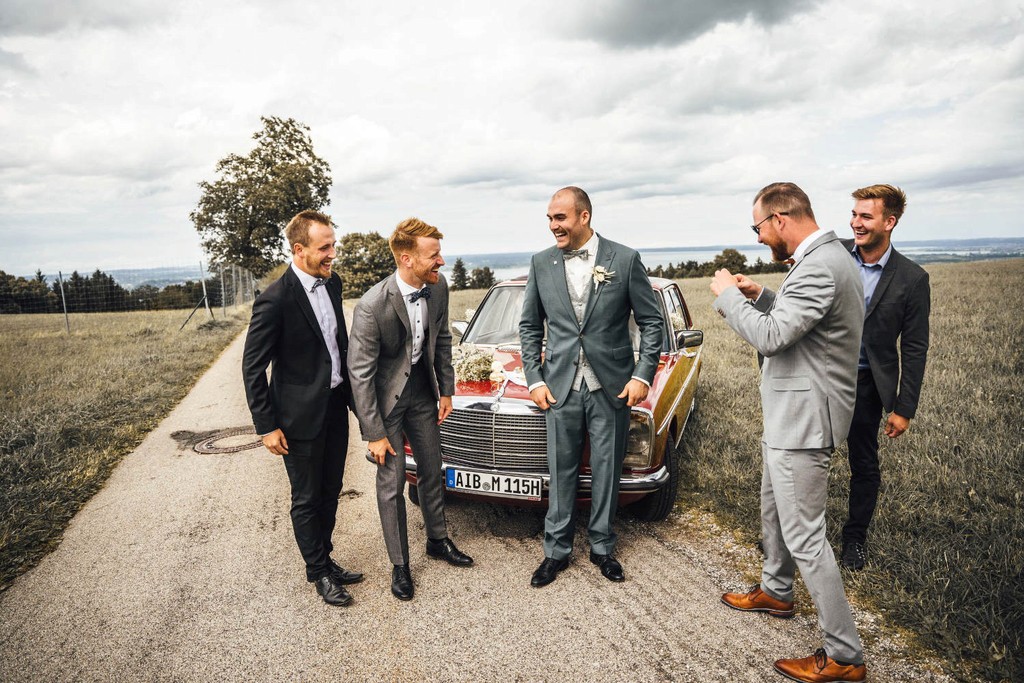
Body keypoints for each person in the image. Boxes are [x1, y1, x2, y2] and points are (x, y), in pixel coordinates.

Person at [710, 183, 867, 682]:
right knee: (773, 507)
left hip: (804, 421)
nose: (758, 238)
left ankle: (844, 655)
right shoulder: (825, 257)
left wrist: (731, 298)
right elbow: (806, 320)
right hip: (790, 415)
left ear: (779, 219)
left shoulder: (820, 262)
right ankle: (776, 591)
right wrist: (765, 295)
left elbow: (774, 337)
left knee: (805, 535)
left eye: (757, 228)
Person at [519, 186, 662, 588]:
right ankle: (556, 551)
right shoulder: (540, 263)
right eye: (549, 218)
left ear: (583, 216)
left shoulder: (625, 258)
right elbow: (530, 326)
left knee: (607, 468)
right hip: (560, 385)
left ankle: (602, 546)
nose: (553, 226)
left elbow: (652, 324)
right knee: (560, 470)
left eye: (560, 218)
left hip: (613, 385)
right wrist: (534, 378)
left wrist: (641, 376)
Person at [347, 217, 473, 602]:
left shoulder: (438, 287)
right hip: (385, 406)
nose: (442, 262)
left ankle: (438, 540)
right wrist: (374, 434)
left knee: (432, 468)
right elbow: (360, 374)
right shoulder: (371, 306)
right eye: (434, 255)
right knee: (393, 483)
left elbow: (445, 340)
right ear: (406, 259)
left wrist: (446, 390)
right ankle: (400, 565)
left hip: (422, 392)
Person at [241, 209, 362, 607]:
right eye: (324, 247)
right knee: (307, 497)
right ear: (299, 249)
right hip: (297, 418)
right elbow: (252, 367)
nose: (332, 254)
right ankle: (318, 574)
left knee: (331, 489)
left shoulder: (333, 283)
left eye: (333, 245)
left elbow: (337, 344)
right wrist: (267, 426)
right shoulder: (274, 300)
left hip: (334, 406)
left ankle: (325, 557)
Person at [840, 184, 930, 570]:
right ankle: (791, 536)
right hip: (822, 377)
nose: (855, 223)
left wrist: (903, 407)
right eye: (854, 214)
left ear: (890, 222)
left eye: (866, 216)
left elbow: (914, 347)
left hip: (866, 384)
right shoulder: (833, 255)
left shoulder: (912, 279)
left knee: (864, 464)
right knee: (804, 456)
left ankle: (854, 539)